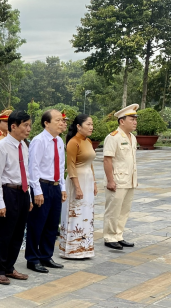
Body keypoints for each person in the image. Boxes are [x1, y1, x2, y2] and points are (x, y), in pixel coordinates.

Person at [0, 110, 33, 285]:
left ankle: (9, 266)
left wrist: (28, 196)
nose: (28, 129)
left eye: (30, 125)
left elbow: (27, 172)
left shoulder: (24, 145)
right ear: (13, 126)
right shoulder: (1, 147)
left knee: (17, 232)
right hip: (8, 192)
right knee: (4, 233)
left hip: (22, 192)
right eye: (25, 125)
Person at [25, 109, 67, 273]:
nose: (61, 123)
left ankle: (46, 255)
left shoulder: (59, 142)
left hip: (55, 186)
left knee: (51, 224)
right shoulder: (39, 141)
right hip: (42, 186)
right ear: (46, 123)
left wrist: (62, 187)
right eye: (57, 120)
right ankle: (32, 258)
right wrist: (36, 191)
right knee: (37, 224)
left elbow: (61, 166)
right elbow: (33, 167)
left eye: (61, 120)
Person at [60, 114, 97, 259]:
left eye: (92, 124)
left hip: (87, 179)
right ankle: (71, 249)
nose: (91, 127)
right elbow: (71, 166)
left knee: (87, 214)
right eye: (88, 124)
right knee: (76, 213)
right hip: (77, 180)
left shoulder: (87, 141)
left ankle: (85, 247)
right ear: (78, 126)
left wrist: (94, 182)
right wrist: (77, 187)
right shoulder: (73, 142)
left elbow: (91, 164)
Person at [103, 104, 138, 250]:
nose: (135, 122)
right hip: (117, 180)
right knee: (113, 210)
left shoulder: (133, 138)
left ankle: (118, 235)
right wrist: (110, 180)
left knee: (124, 210)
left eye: (136, 119)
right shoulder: (113, 137)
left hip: (129, 180)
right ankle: (109, 237)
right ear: (121, 121)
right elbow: (107, 160)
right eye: (132, 119)